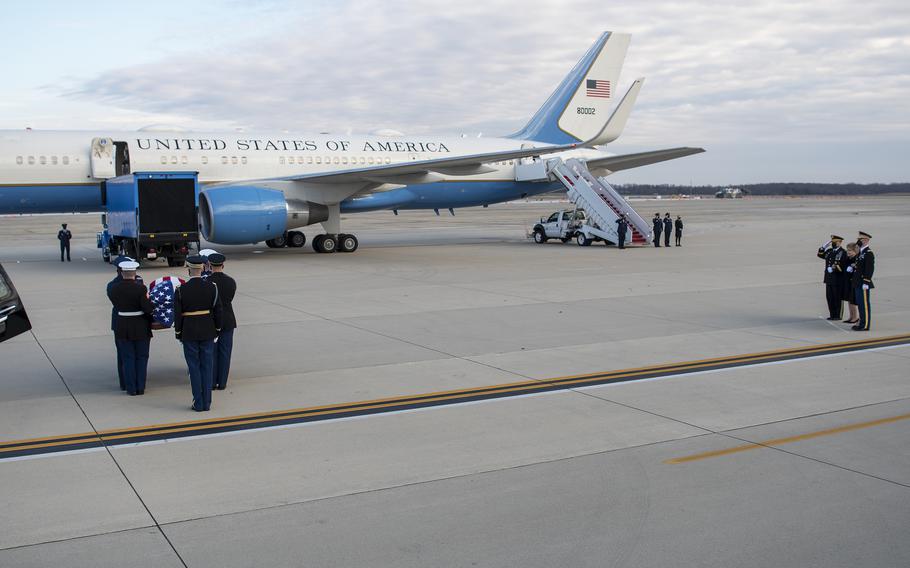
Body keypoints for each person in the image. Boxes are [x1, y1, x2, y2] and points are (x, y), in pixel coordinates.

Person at [174, 255, 223, 411]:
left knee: (194, 367)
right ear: (202, 268)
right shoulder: (212, 287)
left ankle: (198, 401)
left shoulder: (181, 290)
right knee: (207, 366)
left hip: (189, 331)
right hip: (208, 330)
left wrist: (179, 333)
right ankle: (207, 402)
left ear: (189, 270)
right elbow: (218, 311)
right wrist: (217, 329)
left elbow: (177, 315)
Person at [106, 260, 154, 395]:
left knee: (127, 358)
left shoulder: (113, 288)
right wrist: (152, 306)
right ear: (135, 273)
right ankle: (140, 387)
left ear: (121, 272)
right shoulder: (141, 288)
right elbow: (146, 308)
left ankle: (130, 388)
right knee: (142, 357)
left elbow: (116, 304)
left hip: (122, 325)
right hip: (140, 326)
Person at [207, 253, 237, 390]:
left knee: (212, 352)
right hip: (227, 319)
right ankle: (222, 382)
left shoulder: (206, 282)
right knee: (225, 352)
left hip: (212, 320)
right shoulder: (231, 281)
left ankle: (212, 381)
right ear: (223, 265)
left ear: (209, 265)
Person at [816, 234, 847, 320]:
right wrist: (822, 247)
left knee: (837, 297)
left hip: (837, 279)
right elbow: (820, 255)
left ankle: (838, 315)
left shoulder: (842, 252)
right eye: (832, 242)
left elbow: (843, 266)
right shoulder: (829, 251)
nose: (833, 243)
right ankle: (832, 314)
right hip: (829, 279)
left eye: (835, 242)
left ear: (840, 243)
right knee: (830, 297)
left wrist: (834, 269)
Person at [850, 231, 875, 331]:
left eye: (860, 239)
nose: (858, 241)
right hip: (857, 282)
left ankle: (865, 325)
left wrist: (866, 281)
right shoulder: (861, 252)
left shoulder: (868, 253)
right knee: (860, 304)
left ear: (866, 240)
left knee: (864, 305)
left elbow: (869, 269)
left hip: (863, 282)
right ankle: (861, 322)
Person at [843, 242, 860, 324]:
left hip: (853, 282)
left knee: (852, 301)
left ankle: (855, 317)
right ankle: (851, 316)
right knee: (849, 300)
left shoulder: (856, 259)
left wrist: (853, 267)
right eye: (847, 250)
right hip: (847, 282)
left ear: (855, 251)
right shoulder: (848, 258)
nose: (848, 252)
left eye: (850, 250)